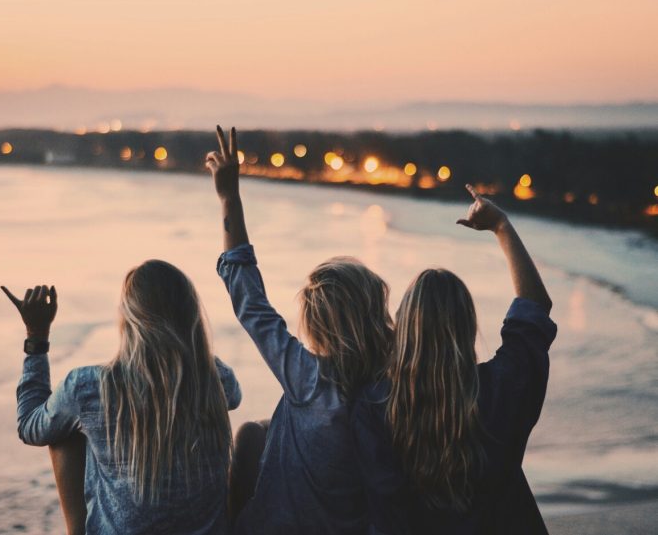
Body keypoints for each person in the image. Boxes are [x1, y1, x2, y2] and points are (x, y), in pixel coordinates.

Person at [206, 126, 394, 535]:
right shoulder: (393, 385)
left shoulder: (306, 377)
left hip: (279, 525)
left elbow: (249, 300)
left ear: (318, 323)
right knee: (257, 432)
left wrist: (229, 197)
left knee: (251, 436)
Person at [351, 184, 557, 534]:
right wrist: (501, 227)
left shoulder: (373, 406)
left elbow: (387, 513)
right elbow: (535, 308)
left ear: (404, 327)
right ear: (467, 326)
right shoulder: (503, 387)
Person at [2, 260, 242, 535]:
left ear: (129, 318)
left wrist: (37, 337)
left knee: (64, 430)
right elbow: (233, 395)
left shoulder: (89, 387)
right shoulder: (215, 380)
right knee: (251, 433)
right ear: (191, 317)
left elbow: (30, 427)